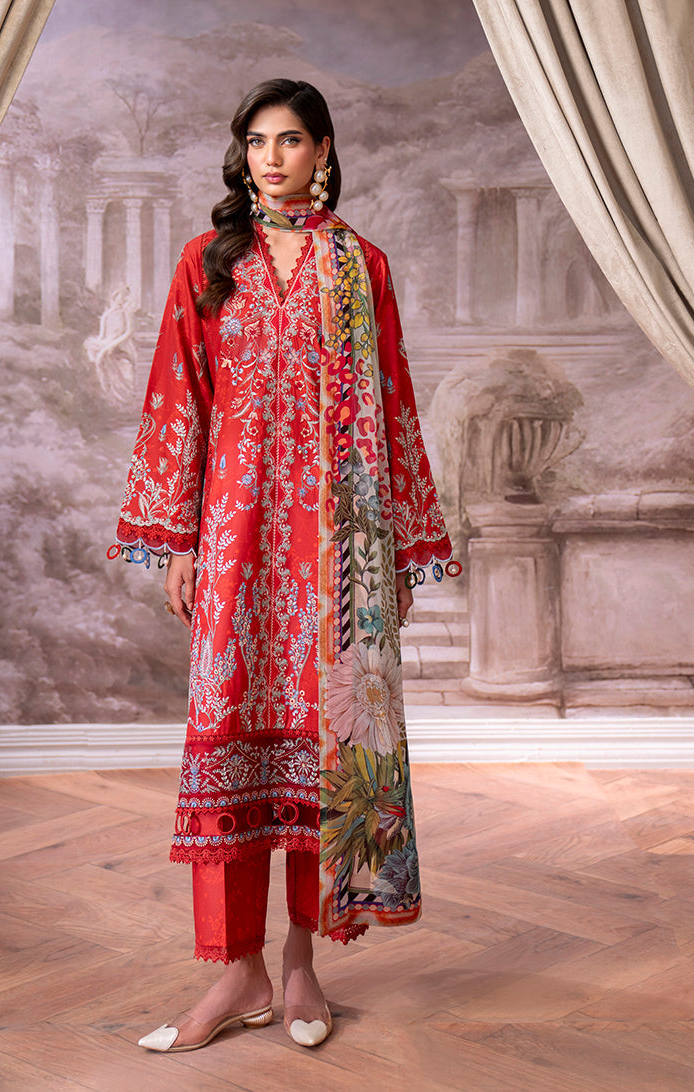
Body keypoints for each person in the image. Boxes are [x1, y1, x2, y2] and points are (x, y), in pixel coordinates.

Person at [111, 78, 458, 1053]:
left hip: (335, 550)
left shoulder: (360, 267)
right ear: (244, 154)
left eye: (291, 140)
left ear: (324, 151)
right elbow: (178, 397)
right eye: (258, 141)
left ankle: (302, 965)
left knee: (323, 742)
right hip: (236, 538)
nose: (272, 157)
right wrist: (181, 538)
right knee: (229, 739)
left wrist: (395, 553)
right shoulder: (208, 262)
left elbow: (393, 402)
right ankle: (238, 971)